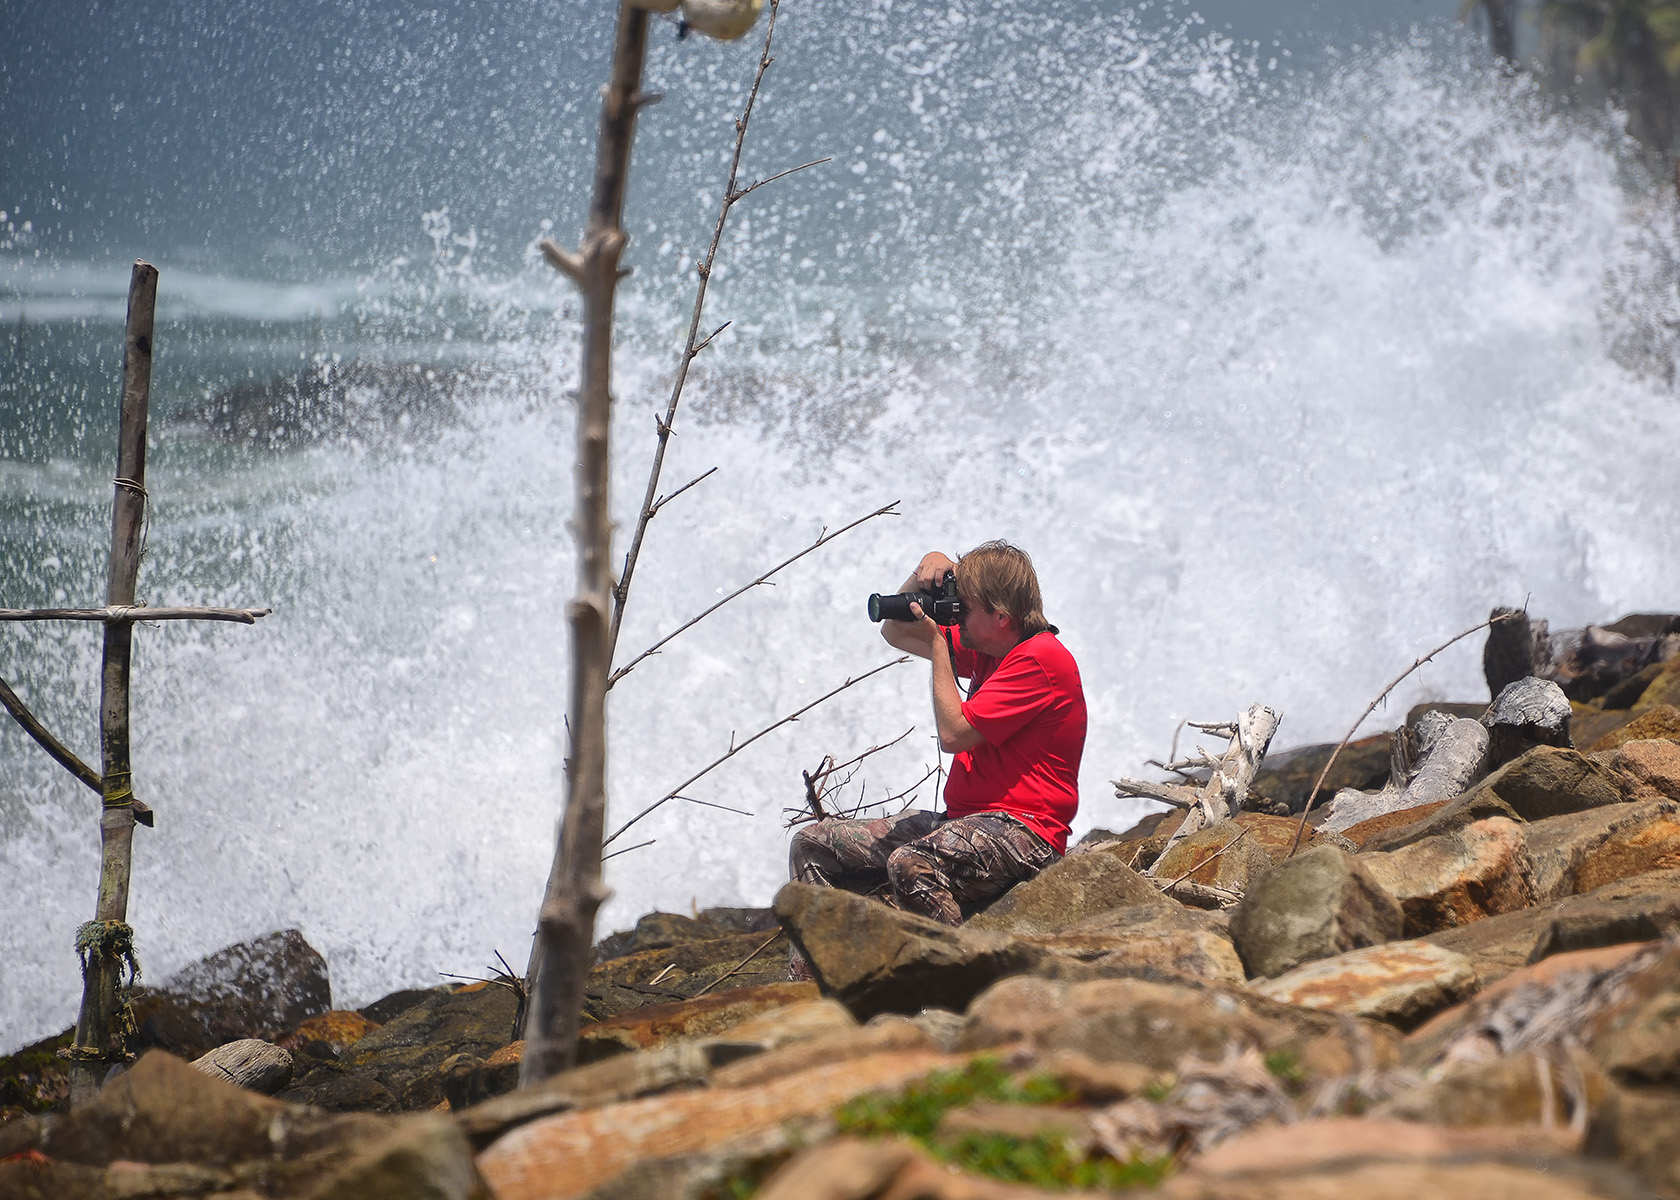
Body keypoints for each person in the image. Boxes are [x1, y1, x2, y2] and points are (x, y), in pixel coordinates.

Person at [789, 540, 1087, 926]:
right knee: (812, 843)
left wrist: (937, 645)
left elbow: (953, 734)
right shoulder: (987, 646)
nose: (957, 616)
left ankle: (957, 969)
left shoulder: (1041, 659)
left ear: (1001, 616)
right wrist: (922, 575)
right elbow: (894, 632)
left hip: (1025, 833)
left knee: (911, 863)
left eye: (966, 606)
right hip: (964, 821)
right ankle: (817, 979)